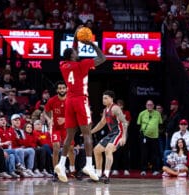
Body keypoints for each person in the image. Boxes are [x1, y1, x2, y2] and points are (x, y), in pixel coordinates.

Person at [54, 26, 106, 182]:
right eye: (75, 52)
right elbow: (103, 58)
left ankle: (61, 164)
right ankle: (89, 165)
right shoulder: (81, 65)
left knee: (69, 135)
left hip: (69, 101)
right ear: (73, 56)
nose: (77, 52)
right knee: (87, 133)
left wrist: (76, 37)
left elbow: (72, 49)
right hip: (80, 100)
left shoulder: (63, 65)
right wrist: (92, 44)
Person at [91, 91, 128, 184]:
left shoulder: (115, 108)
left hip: (119, 133)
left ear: (111, 99)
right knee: (96, 150)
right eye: (103, 98)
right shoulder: (105, 110)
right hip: (112, 133)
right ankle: (98, 175)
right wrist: (90, 132)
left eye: (106, 98)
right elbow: (101, 123)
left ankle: (106, 175)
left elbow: (125, 122)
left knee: (108, 150)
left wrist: (123, 137)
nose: (104, 100)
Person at [44, 81, 76, 180]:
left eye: (63, 88)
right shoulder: (52, 100)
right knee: (56, 147)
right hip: (56, 128)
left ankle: (72, 170)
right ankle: (55, 172)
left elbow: (76, 115)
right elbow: (45, 112)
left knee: (70, 149)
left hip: (67, 128)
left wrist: (65, 120)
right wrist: (49, 120)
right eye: (60, 88)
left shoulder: (71, 100)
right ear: (57, 90)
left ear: (66, 89)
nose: (62, 90)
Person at [137, 100, 163, 176]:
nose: (150, 106)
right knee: (144, 153)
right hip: (144, 136)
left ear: (153, 105)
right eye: (148, 105)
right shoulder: (142, 113)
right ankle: (143, 170)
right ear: (146, 105)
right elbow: (138, 124)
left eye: (151, 104)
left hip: (155, 136)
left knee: (154, 154)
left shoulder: (157, 113)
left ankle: (154, 169)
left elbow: (160, 123)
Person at [111, 99, 131, 176]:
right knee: (116, 152)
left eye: (120, 105)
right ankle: (115, 169)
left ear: (122, 106)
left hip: (124, 134)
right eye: (117, 105)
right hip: (116, 134)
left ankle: (126, 169)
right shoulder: (114, 114)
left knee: (125, 152)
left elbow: (127, 123)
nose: (119, 106)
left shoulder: (126, 113)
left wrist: (124, 135)